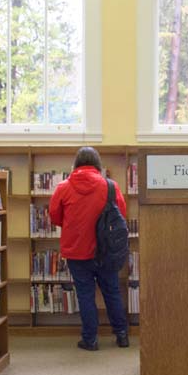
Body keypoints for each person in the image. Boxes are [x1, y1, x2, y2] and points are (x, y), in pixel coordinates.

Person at [49, 147, 129, 351]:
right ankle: (122, 335)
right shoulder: (111, 186)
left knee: (85, 294)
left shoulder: (63, 187)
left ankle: (90, 339)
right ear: (98, 165)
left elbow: (54, 217)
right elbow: (121, 214)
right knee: (112, 292)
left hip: (77, 251)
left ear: (75, 164)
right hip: (106, 251)